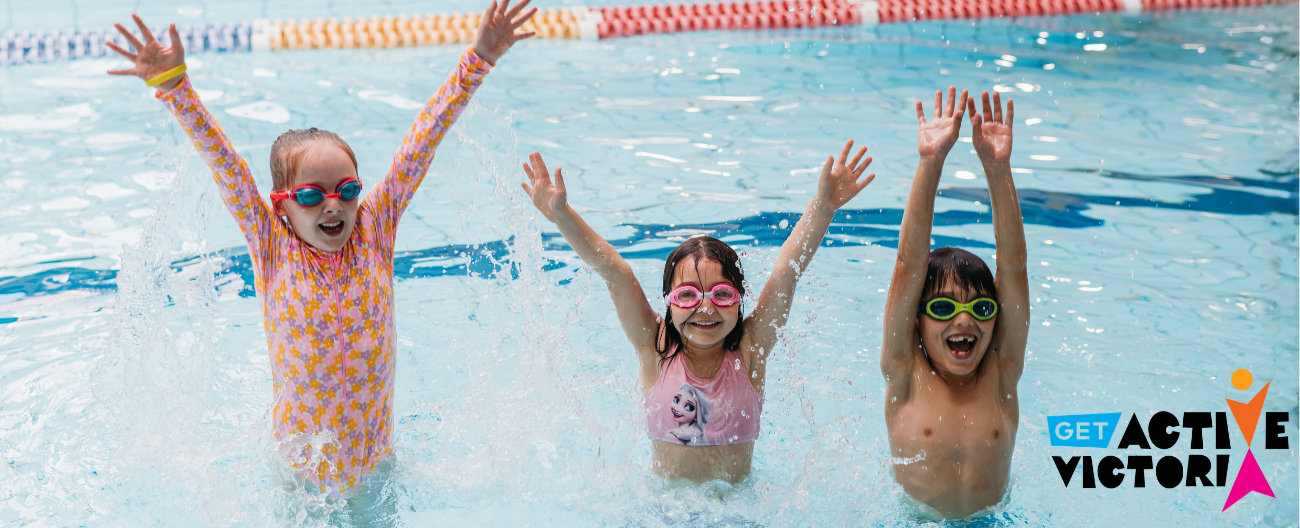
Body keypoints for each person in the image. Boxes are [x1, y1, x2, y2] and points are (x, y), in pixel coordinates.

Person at [104, 1, 537, 504]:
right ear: (283, 207)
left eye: (347, 189)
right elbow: (223, 163)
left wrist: (479, 58)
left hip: (378, 470)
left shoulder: (375, 231)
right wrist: (176, 88)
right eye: (312, 195)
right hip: (302, 484)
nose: (334, 205)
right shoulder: (272, 246)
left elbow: (423, 140)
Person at [521, 142, 874, 483]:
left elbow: (786, 271)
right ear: (669, 303)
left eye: (722, 294)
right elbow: (614, 270)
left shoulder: (750, 349)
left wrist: (823, 206)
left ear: (740, 301)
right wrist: (562, 216)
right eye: (688, 295)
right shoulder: (655, 348)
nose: (705, 307)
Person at [880, 87, 1029, 518]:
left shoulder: (1002, 373)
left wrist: (997, 168)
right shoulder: (903, 369)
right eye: (943, 308)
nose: (964, 321)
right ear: (916, 321)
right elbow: (908, 265)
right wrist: (930, 163)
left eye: (981, 309)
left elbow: (1014, 269)